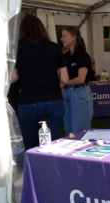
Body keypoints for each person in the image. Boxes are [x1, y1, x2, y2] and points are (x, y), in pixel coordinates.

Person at [12, 15, 68, 150]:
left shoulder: (17, 48)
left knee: (28, 147)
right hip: (53, 100)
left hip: (28, 101)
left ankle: (31, 170)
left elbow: (13, 77)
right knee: (51, 145)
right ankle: (49, 169)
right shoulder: (54, 48)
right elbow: (65, 79)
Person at [60, 26, 94, 135]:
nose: (61, 39)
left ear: (74, 37)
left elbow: (81, 79)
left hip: (79, 92)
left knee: (79, 131)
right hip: (67, 92)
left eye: (64, 36)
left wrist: (64, 82)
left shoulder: (82, 55)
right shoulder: (66, 56)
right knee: (69, 132)